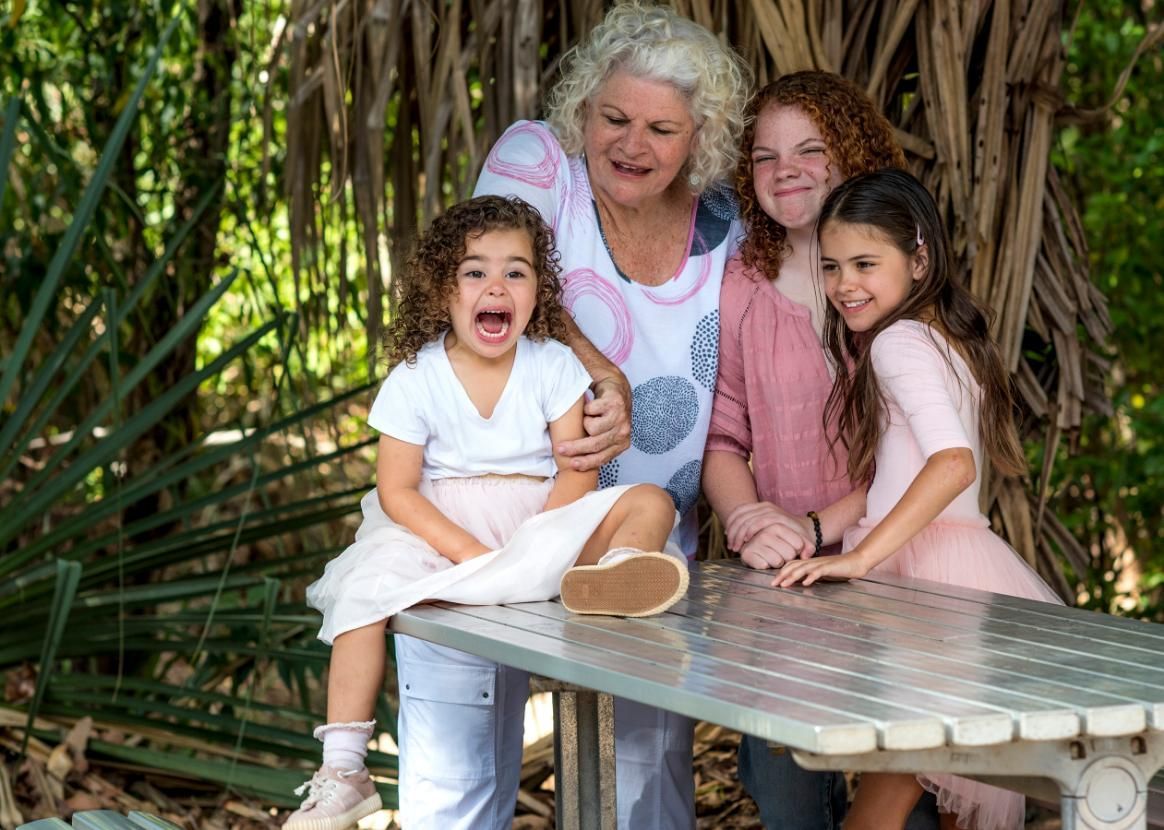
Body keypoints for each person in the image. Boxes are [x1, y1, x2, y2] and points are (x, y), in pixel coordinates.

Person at [283, 195, 689, 830]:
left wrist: (541, 543)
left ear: (536, 295)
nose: (495, 285)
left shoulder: (554, 364)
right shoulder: (415, 377)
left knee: (650, 500)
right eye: (475, 271)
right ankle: (344, 770)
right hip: (442, 530)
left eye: (516, 272)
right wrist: (471, 553)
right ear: (442, 291)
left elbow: (578, 468)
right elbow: (398, 493)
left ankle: (615, 572)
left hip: (539, 522)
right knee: (362, 591)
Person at [472, 5, 750, 827]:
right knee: (466, 783)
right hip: (498, 516)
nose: (632, 145)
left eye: (662, 129)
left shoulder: (725, 218)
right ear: (583, 110)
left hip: (645, 547)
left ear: (699, 135)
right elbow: (493, 275)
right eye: (615, 118)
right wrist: (600, 368)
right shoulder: (538, 162)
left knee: (646, 786)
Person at [773, 168, 1063, 830]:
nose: (845, 284)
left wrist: (861, 557)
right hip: (964, 576)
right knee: (950, 785)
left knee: (893, 787)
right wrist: (817, 530)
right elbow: (897, 481)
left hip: (923, 586)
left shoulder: (898, 344)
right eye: (832, 266)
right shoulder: (946, 335)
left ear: (919, 256)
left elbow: (952, 464)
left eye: (866, 263)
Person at [701, 71, 911, 830]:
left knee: (903, 793)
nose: (785, 169)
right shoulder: (740, 286)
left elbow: (920, 451)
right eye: (764, 155)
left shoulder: (890, 283)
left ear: (851, 156)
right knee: (787, 792)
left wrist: (826, 525)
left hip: (902, 567)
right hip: (789, 584)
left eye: (810, 148)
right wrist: (751, 515)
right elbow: (722, 436)